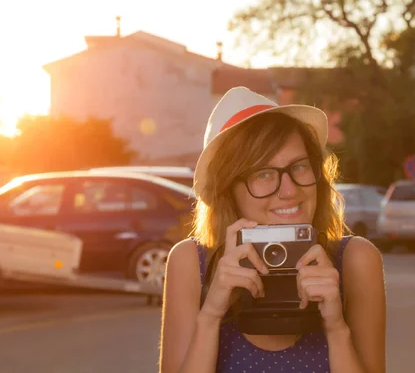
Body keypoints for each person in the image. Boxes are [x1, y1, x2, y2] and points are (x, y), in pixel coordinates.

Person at [159, 87, 386, 373]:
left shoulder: (356, 260)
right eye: (263, 174)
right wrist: (211, 315)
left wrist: (337, 329)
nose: (289, 190)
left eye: (299, 167)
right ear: (229, 191)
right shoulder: (192, 262)